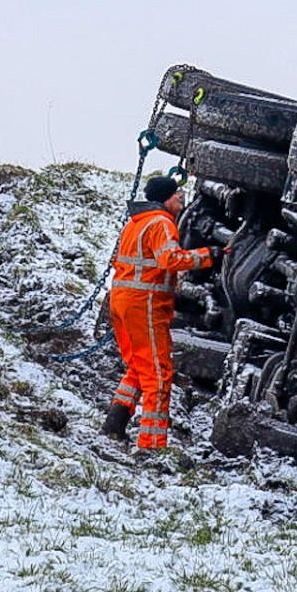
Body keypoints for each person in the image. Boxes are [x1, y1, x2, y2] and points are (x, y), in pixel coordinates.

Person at [101, 174, 219, 452]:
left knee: (138, 367)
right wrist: (210, 254)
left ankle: (114, 424)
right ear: (166, 198)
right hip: (144, 304)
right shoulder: (162, 223)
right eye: (177, 193)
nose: (181, 197)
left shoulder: (135, 223)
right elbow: (171, 259)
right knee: (158, 373)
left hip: (122, 301)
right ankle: (152, 446)